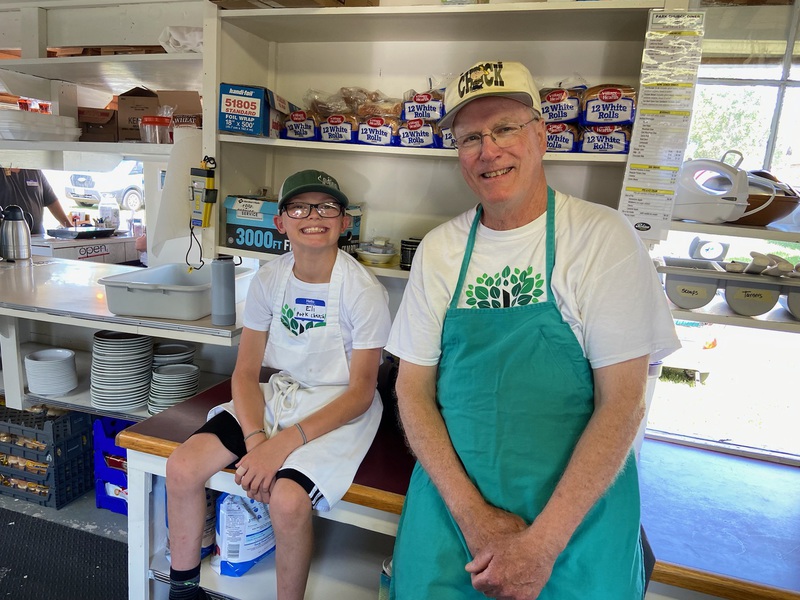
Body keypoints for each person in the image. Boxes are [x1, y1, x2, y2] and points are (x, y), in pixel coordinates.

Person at [385, 60, 681, 599]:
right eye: (470, 137)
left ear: (541, 136)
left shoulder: (602, 238)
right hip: (454, 509)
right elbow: (412, 389)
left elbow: (623, 403)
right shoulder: (440, 249)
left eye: (505, 129)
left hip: (574, 521)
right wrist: (474, 518)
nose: (488, 150)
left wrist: (541, 545)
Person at [164, 169, 391, 600]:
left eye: (327, 207)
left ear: (345, 222)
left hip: (341, 409)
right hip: (279, 394)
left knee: (287, 499)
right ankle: (184, 591)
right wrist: (257, 441)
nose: (314, 216)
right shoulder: (269, 279)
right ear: (280, 222)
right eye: (299, 208)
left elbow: (362, 392)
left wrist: (280, 446)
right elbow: (245, 373)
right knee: (182, 467)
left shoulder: (364, 292)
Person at [0, 168, 71, 233]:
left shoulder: (34, 169)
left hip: (38, 237)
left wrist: (69, 227)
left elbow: (52, 201)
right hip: (9, 237)